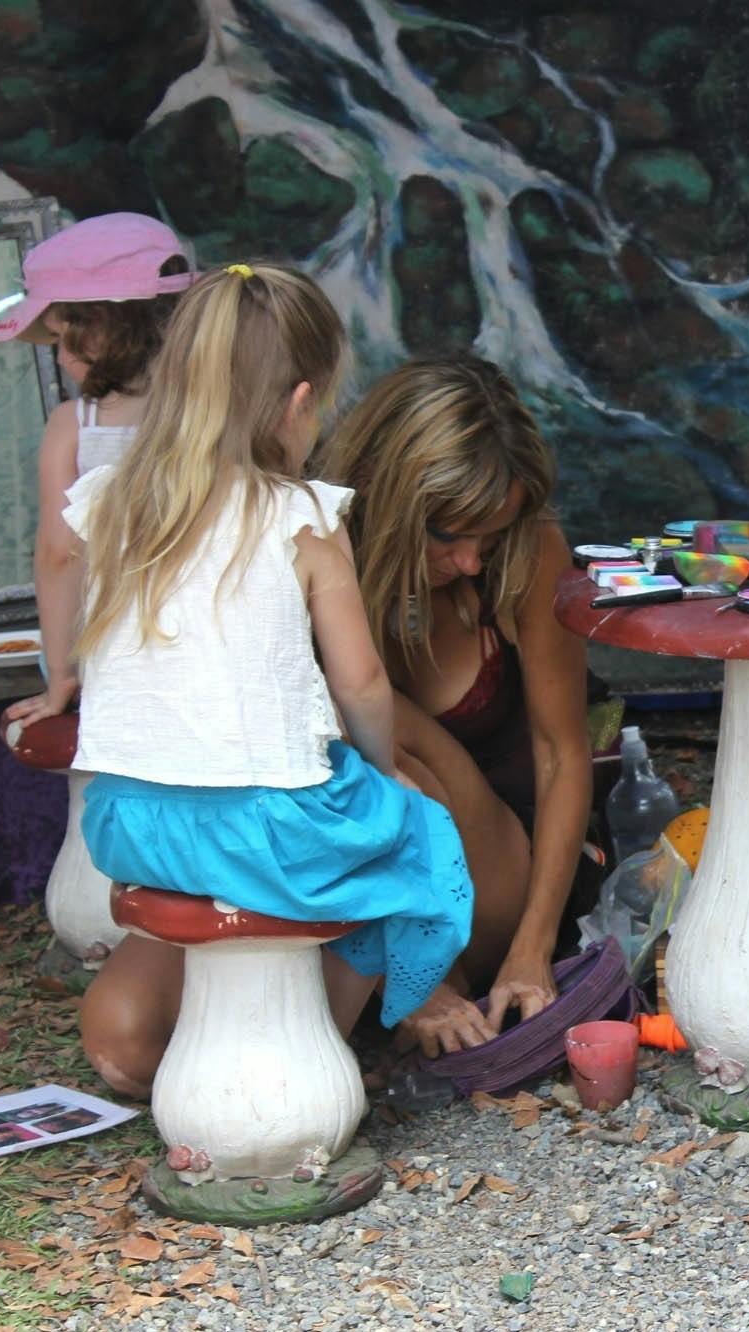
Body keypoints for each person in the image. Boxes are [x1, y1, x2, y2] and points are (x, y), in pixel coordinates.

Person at [58, 263, 473, 1095]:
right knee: (420, 838)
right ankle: (315, 1034)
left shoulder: (109, 502)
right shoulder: (303, 515)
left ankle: (231, 1041)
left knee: (324, 826)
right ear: (297, 402)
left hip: (125, 820)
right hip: (260, 825)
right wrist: (381, 763)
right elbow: (359, 682)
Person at [316, 358, 594, 1057]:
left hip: (499, 869)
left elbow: (563, 753)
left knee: (400, 740)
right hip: (358, 877)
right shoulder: (319, 545)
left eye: (490, 535)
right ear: (389, 497)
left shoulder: (530, 552)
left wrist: (532, 949)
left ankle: (433, 980)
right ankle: (407, 979)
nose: (473, 561)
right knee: (126, 1035)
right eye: (450, 534)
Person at [0, 213, 196, 729]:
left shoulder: (74, 426)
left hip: (114, 654)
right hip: (209, 643)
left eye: (62, 337)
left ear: (102, 325)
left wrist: (61, 670)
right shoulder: (212, 411)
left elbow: (60, 553)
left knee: (94, 798)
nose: (58, 357)